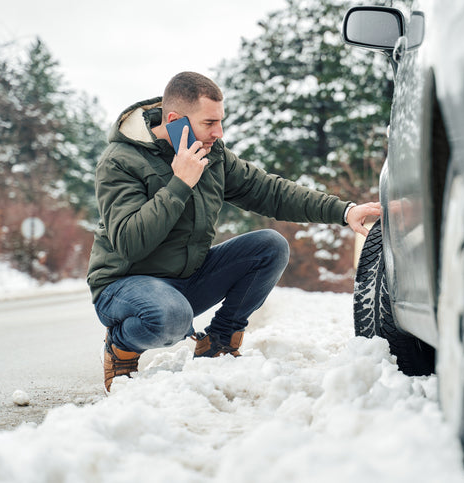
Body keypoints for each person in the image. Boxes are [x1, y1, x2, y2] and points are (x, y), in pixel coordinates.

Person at [87, 71, 381, 392]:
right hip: (126, 286)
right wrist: (180, 183)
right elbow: (130, 242)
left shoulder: (212, 154)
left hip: (186, 280)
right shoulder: (121, 161)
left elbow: (271, 192)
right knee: (170, 316)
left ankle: (220, 341)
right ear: (175, 120)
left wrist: (345, 211)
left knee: (269, 245)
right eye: (209, 123)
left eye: (220, 121)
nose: (219, 132)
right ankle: (121, 347)